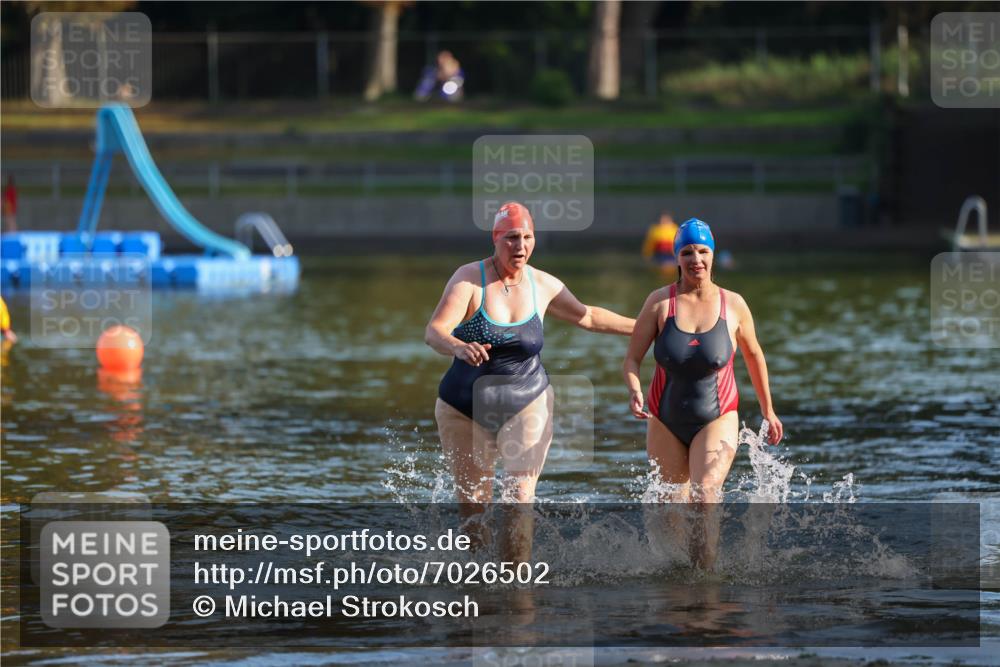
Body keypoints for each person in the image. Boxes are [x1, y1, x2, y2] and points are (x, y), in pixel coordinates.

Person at [425, 202, 634, 556]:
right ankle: (479, 589)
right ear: (495, 238)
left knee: (518, 495)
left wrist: (650, 327)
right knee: (474, 509)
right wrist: (458, 347)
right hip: (462, 407)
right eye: (511, 239)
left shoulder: (542, 284)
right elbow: (435, 331)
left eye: (526, 237)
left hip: (527, 402)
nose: (519, 246)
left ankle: (518, 584)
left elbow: (590, 317)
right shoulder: (469, 279)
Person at [623, 218, 782, 567]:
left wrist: (768, 410)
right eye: (688, 252)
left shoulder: (734, 305)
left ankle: (705, 582)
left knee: (704, 494)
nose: (696, 259)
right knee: (670, 513)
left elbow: (755, 356)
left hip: (718, 415)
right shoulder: (659, 303)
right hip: (664, 419)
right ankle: (681, 586)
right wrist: (634, 390)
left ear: (713, 254)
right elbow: (632, 359)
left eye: (703, 251)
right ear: (677, 257)